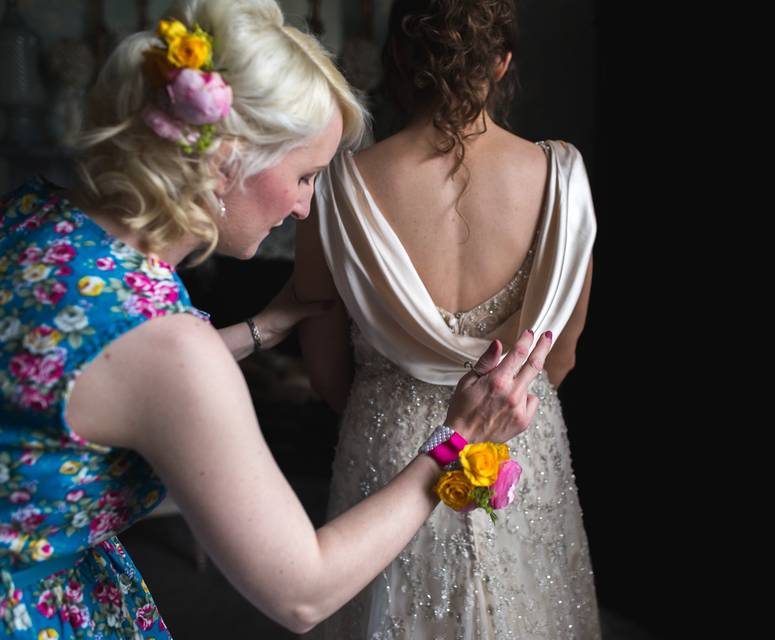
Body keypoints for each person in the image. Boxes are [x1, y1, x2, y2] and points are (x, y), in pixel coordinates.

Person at [0, 0, 553, 637]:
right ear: (226, 159)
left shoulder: (34, 216)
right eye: (305, 175)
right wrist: (456, 440)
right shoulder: (168, 351)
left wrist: (262, 328)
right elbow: (302, 593)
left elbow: (83, 370)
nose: (302, 207)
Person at [294, 0, 599, 637]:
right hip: (519, 438)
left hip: (389, 446)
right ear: (503, 62)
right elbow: (562, 354)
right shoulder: (562, 178)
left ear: (401, 57)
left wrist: (392, 412)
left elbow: (324, 370)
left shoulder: (337, 185)